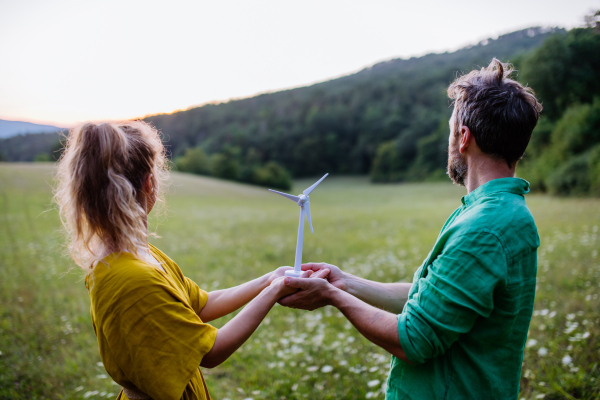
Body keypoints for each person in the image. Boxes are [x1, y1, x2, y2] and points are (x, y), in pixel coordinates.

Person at [279, 58, 543, 399]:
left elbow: (415, 339)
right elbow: (432, 300)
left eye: (450, 131)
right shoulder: (497, 212)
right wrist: (345, 282)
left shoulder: (485, 228)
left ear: (464, 138)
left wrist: (333, 297)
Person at [53, 121, 328, 400]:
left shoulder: (140, 255)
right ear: (150, 185)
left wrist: (270, 278)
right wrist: (274, 291)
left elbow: (202, 305)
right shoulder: (133, 277)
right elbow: (211, 352)